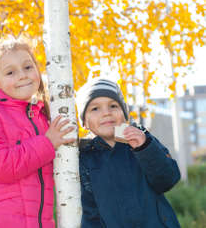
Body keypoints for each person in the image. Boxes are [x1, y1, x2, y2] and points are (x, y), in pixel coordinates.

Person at [0, 35, 75, 228]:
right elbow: (2, 165)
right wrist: (48, 142)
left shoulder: (39, 116)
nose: (22, 75)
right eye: (10, 72)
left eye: (28, 67)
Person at [76, 77, 181, 227]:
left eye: (113, 106)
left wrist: (145, 148)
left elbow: (169, 179)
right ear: (84, 122)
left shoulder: (142, 138)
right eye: (95, 108)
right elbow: (90, 213)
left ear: (124, 113)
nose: (106, 113)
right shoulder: (86, 157)